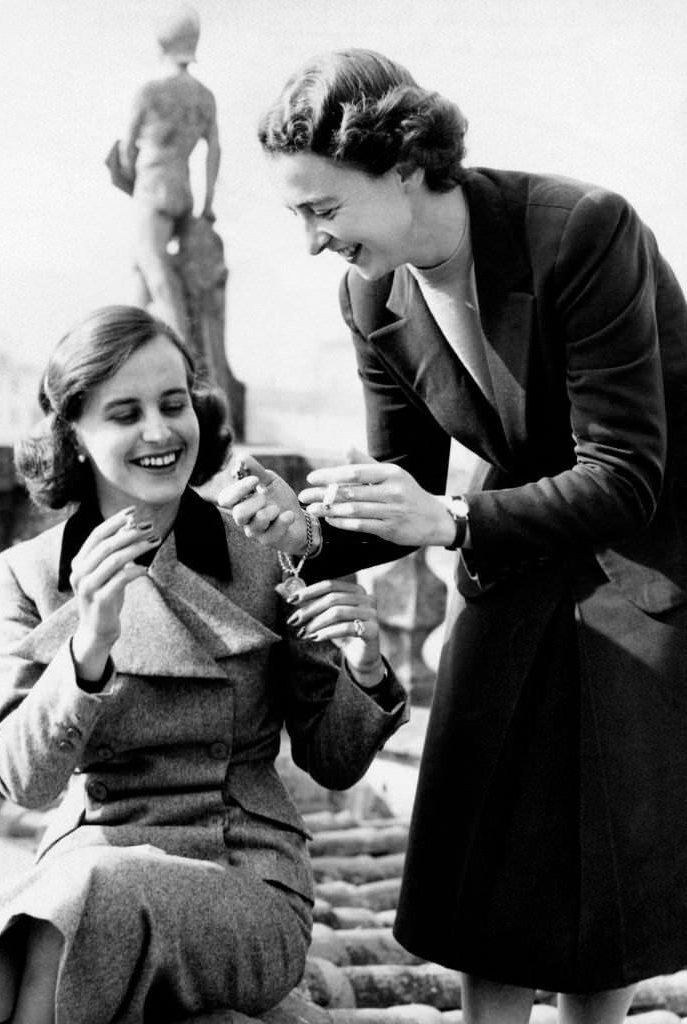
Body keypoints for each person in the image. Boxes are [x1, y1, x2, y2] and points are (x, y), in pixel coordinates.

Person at [218, 48, 687, 1024]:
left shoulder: (578, 230)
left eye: (320, 208)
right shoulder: (368, 293)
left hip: (651, 545)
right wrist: (310, 524)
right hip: (518, 527)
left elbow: (627, 472)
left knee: (600, 844)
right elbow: (409, 486)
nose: (310, 241)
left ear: (399, 165)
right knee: (481, 828)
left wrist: (453, 521)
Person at [0, 304, 408, 1024]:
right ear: (74, 433)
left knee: (90, 906)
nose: (161, 432)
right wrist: (88, 646)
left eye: (174, 404)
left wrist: (366, 667)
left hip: (242, 877)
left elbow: (334, 761)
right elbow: (24, 782)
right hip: (83, 863)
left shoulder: (264, 552)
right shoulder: (26, 575)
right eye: (125, 413)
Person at [118, 3, 220, 344]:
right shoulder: (204, 97)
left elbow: (126, 148)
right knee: (140, 273)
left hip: (152, 188)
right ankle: (125, 349)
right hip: (182, 192)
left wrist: (132, 180)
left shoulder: (150, 91)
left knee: (155, 271)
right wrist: (207, 205)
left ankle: (185, 354)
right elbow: (213, 151)